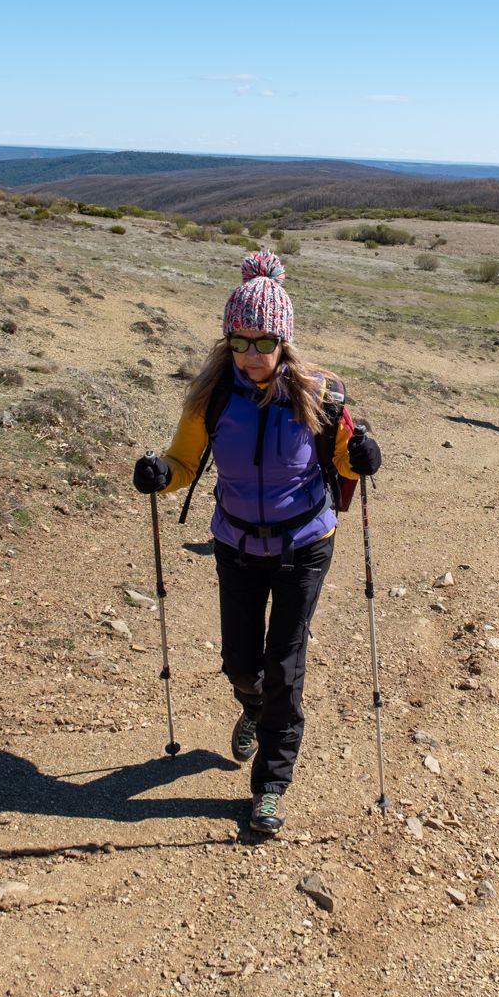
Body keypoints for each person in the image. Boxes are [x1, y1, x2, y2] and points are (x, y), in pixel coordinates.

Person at [131, 251, 382, 835]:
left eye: (262, 341)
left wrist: (364, 457)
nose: (250, 354)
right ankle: (253, 709)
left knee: (284, 666)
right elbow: (183, 461)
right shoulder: (213, 395)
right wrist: (160, 475)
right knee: (241, 663)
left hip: (304, 545)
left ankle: (270, 784)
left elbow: (344, 456)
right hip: (237, 544)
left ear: (283, 340)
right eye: (238, 340)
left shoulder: (321, 393)